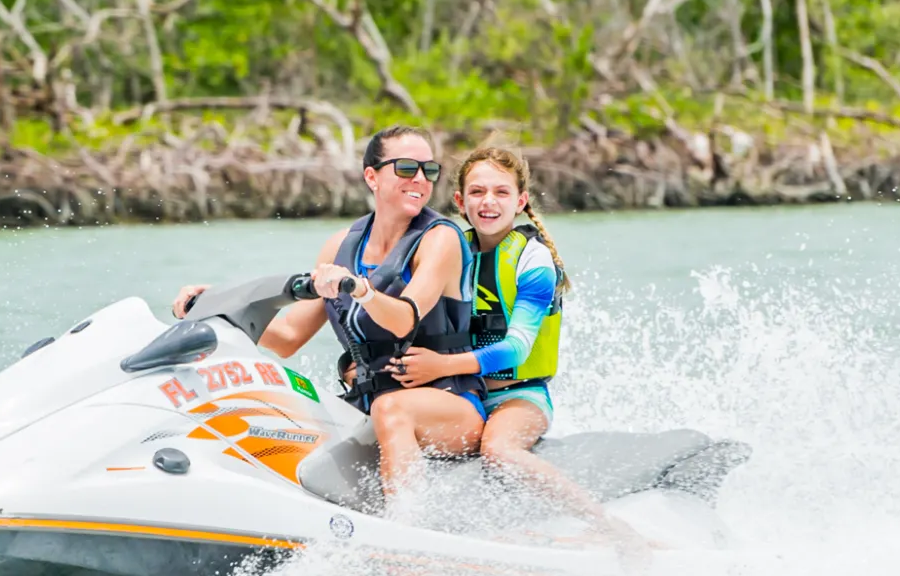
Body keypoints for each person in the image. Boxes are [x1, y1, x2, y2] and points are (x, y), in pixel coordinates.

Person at [172, 125, 486, 500]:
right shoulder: (341, 246)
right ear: (372, 176)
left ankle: (405, 535)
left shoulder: (440, 238)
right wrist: (218, 304)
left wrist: (360, 289)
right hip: (368, 406)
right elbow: (289, 338)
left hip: (451, 405)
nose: (419, 179)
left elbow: (405, 318)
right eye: (405, 168)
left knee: (391, 409)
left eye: (428, 170)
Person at [389, 144, 621, 532]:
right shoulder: (448, 251)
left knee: (498, 451)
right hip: (464, 395)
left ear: (520, 201)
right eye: (477, 192)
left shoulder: (534, 261)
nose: (488, 202)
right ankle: (406, 524)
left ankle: (608, 527)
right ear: (460, 201)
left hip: (520, 396)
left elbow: (517, 348)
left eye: (501, 192)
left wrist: (442, 365)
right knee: (390, 412)